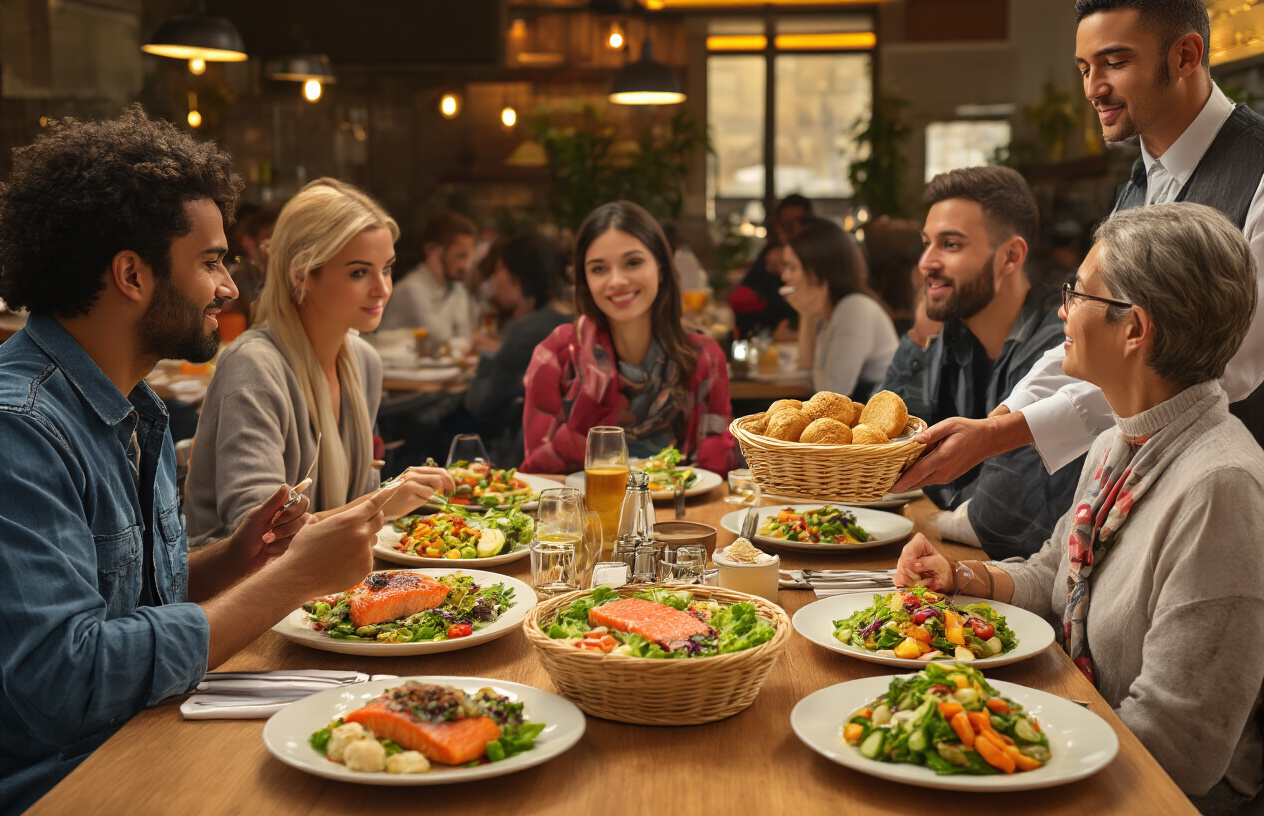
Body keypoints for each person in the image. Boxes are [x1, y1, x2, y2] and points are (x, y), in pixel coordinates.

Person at [0, 108, 400, 814]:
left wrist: (237, 560)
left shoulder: (135, 407)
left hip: (150, 731)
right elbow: (67, 679)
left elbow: (131, 603)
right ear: (131, 274)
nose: (230, 288)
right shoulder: (19, 429)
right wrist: (291, 579)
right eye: (211, 262)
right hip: (64, 781)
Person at [894, 202, 1264, 815]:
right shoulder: (1117, 441)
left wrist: (999, 725)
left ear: (1134, 329)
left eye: (1078, 293)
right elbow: (1055, 574)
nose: (1062, 310)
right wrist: (962, 577)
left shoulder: (1220, 488)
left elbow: (1181, 747)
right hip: (1080, 746)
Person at [893, 0, 1264, 495]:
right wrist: (993, 424)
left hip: (1229, 490)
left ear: (1185, 56)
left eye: (1115, 62)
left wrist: (1002, 433)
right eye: (1085, 68)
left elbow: (1226, 370)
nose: (1092, 89)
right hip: (1142, 486)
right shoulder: (1142, 180)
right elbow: (1094, 332)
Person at [184, 179, 453, 546]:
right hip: (241, 581)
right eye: (359, 272)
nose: (382, 288)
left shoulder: (365, 362)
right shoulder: (253, 366)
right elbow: (262, 534)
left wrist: (383, 500)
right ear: (302, 275)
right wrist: (381, 502)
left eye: (387, 268)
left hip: (338, 571)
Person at [879, 167, 1081, 559]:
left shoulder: (1062, 347)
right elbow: (881, 453)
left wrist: (932, 513)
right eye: (927, 244)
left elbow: (997, 519)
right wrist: (918, 339)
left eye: (950, 244)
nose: (925, 263)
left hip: (1018, 585)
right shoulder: (954, 332)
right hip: (950, 561)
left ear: (1010, 257)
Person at [521, 201, 733, 473]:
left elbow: (718, 472)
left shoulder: (703, 356)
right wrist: (590, 397)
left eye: (633, 263)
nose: (617, 281)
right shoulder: (556, 355)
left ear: (661, 268)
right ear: (585, 280)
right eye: (599, 269)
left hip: (684, 502)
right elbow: (539, 477)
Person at [466, 234, 573, 467]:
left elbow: (480, 404)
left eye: (498, 270)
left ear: (516, 280)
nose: (493, 280)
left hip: (518, 457)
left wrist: (489, 354)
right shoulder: (569, 317)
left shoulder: (528, 329)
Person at [780, 217, 898, 400]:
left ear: (818, 270)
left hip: (884, 413)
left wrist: (810, 313)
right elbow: (805, 367)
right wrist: (807, 316)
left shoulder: (853, 309)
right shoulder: (834, 310)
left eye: (792, 267)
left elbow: (832, 392)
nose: (784, 276)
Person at [377, 211, 478, 348]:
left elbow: (465, 336)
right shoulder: (411, 289)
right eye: (460, 256)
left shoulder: (456, 288)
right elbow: (440, 339)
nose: (465, 266)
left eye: (468, 257)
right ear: (431, 249)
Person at [731, 194, 813, 336]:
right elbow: (746, 290)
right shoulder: (769, 254)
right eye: (785, 224)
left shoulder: (815, 256)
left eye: (794, 224)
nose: (788, 230)